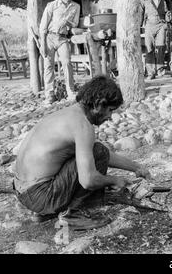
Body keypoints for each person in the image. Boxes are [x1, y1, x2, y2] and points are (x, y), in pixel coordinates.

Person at [13, 76, 151, 230]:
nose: (110, 116)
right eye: (110, 110)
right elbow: (88, 180)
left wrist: (136, 167)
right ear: (99, 104)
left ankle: (44, 212)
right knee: (97, 152)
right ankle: (73, 215)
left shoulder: (69, 114)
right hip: (39, 195)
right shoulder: (82, 125)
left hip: (23, 192)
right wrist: (114, 180)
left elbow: (102, 154)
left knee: (96, 151)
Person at [39, 0, 81, 104]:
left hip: (63, 38)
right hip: (49, 38)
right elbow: (43, 26)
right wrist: (42, 44)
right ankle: (49, 94)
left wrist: (68, 23)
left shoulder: (76, 6)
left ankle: (70, 92)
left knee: (67, 63)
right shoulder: (51, 5)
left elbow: (76, 23)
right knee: (48, 65)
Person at [140, 0, 172, 80]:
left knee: (161, 46)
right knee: (149, 48)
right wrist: (140, 25)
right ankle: (150, 73)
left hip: (161, 23)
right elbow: (141, 10)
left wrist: (168, 12)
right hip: (149, 24)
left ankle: (160, 70)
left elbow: (168, 1)